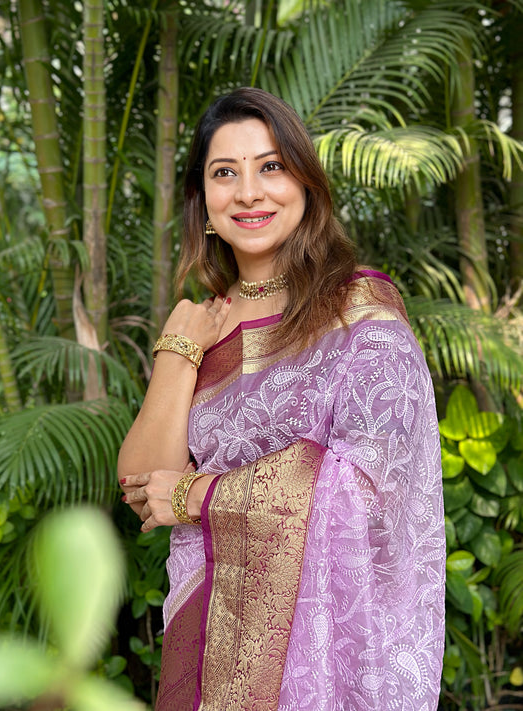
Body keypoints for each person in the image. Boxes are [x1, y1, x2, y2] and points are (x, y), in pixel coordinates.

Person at [118, 87, 445, 711]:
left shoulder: (359, 313)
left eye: (271, 166)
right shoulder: (201, 326)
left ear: (306, 184)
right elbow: (139, 484)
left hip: (318, 645)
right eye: (224, 173)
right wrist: (176, 351)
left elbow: (377, 483)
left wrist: (199, 494)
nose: (249, 191)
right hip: (203, 623)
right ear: (203, 203)